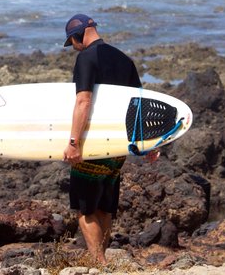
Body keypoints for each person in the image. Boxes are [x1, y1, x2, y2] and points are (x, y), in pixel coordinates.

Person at [61, 13, 158, 263]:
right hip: (117, 148)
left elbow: (83, 101)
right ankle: (103, 259)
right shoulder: (124, 60)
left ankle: (99, 262)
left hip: (93, 145)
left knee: (85, 208)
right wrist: (149, 143)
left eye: (72, 42)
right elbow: (138, 105)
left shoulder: (86, 58)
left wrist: (73, 142)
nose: (74, 47)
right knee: (104, 205)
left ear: (77, 36)